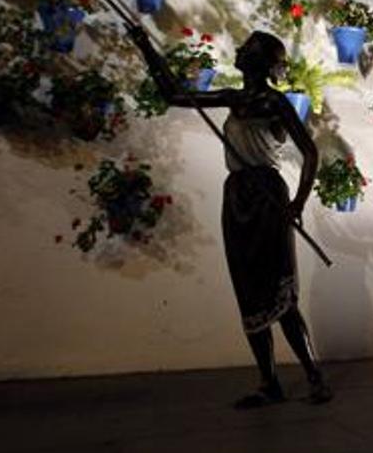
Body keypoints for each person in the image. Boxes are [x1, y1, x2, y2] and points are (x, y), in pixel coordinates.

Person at [128, 26, 333, 409]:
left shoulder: (276, 103)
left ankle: (313, 376)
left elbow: (311, 154)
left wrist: (298, 204)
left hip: (267, 194)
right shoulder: (230, 98)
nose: (239, 51)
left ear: (263, 61)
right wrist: (145, 48)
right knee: (249, 291)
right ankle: (269, 382)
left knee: (280, 293)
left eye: (248, 48)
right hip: (237, 195)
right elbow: (173, 95)